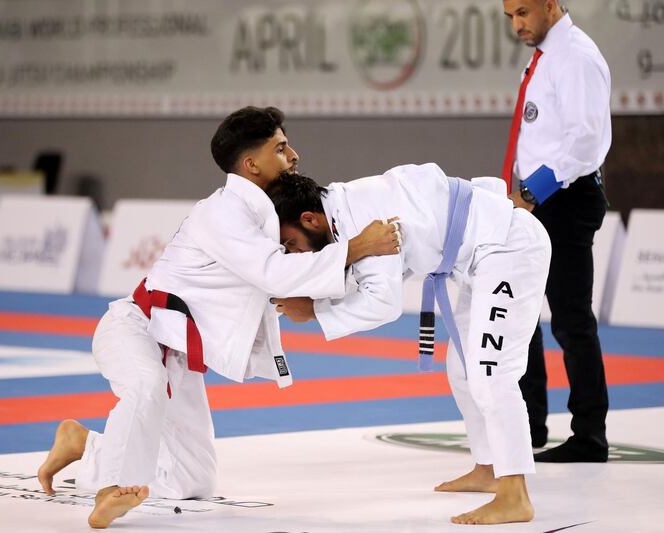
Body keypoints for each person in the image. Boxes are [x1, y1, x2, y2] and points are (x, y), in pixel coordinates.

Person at [35, 106, 400, 529]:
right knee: (146, 385)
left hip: (177, 354)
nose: (293, 155)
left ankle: (83, 444)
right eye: (281, 148)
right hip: (136, 328)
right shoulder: (223, 212)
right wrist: (356, 247)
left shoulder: (263, 218)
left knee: (194, 481)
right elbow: (272, 273)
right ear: (251, 164)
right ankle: (109, 491)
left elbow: (280, 278)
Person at [268, 164, 551, 525]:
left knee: (490, 372)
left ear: (310, 219)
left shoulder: (363, 221)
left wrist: (316, 311)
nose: (296, 253)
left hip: (509, 249)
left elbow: (382, 304)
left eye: (291, 243)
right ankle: (490, 467)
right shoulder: (345, 208)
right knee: (464, 370)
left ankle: (516, 494)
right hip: (481, 256)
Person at [502, 0, 611, 462]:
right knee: (524, 315)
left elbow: (586, 142)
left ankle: (589, 435)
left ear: (551, 4)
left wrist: (533, 191)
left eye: (523, 12)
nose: (517, 25)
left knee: (570, 320)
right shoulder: (545, 55)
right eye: (509, 16)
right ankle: (529, 425)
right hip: (536, 200)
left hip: (563, 199)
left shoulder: (577, 57)